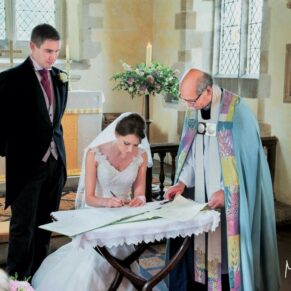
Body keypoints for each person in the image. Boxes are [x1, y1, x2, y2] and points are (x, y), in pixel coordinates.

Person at [164, 68, 280, 291]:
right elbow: (192, 154)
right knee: (199, 254)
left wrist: (226, 191)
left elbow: (246, 164)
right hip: (200, 199)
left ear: (207, 91)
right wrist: (182, 183)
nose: (189, 106)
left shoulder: (237, 112)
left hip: (229, 202)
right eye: (185, 100)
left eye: (192, 100)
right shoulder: (193, 111)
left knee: (226, 260)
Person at [32, 113, 153, 291]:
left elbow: (140, 191)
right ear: (116, 135)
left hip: (124, 214)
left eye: (135, 145)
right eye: (126, 143)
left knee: (122, 252)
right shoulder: (95, 153)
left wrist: (139, 199)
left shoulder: (140, 156)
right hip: (96, 212)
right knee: (98, 259)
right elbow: (89, 197)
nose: (130, 150)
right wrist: (107, 202)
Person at [0, 24, 68, 279]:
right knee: (23, 228)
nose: (53, 57)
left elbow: (55, 122)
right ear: (32, 47)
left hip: (55, 164)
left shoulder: (61, 78)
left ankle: (41, 276)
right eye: (48, 50)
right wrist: (14, 151)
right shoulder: (10, 79)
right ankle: (16, 280)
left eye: (57, 51)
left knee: (46, 226)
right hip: (27, 166)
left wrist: (58, 156)